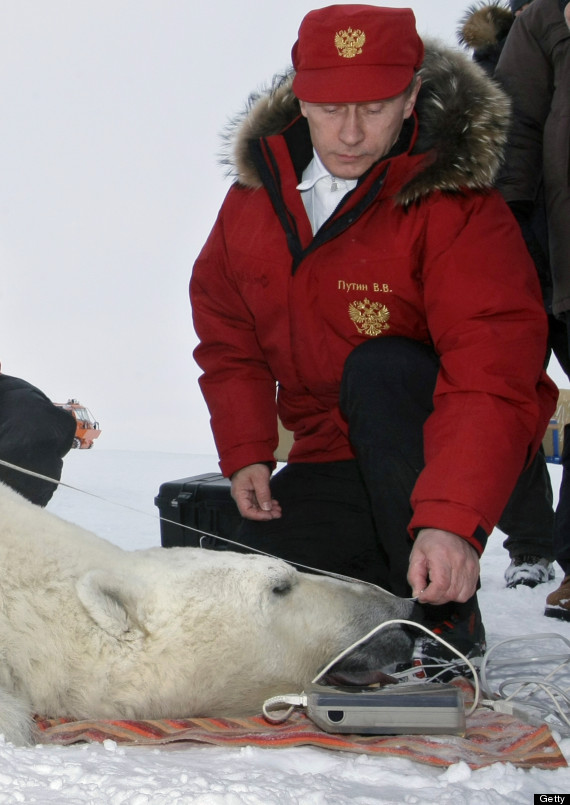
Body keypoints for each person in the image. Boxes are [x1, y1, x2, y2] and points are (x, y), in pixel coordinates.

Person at [190, 5, 557, 672]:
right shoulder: (253, 200)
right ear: (300, 97)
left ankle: (446, 617)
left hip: (444, 453)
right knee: (245, 588)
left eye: (377, 105)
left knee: (382, 366)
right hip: (332, 456)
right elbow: (227, 331)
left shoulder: (460, 206)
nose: (352, 133)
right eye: (330, 108)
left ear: (413, 94)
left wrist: (452, 518)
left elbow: (491, 373)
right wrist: (246, 449)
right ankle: (390, 589)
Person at [457, 0, 556, 591]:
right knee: (508, 396)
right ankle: (532, 546)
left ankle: (545, 546)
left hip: (555, 235)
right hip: (508, 240)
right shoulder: (486, 60)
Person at [495, 0, 570, 620]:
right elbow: (513, 135)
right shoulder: (540, 22)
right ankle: (532, 544)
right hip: (535, 242)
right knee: (507, 397)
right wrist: (502, 235)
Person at [0, 368, 76, 506]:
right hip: (36, 495)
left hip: (16, 495)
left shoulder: (21, 401)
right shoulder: (29, 394)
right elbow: (65, 429)